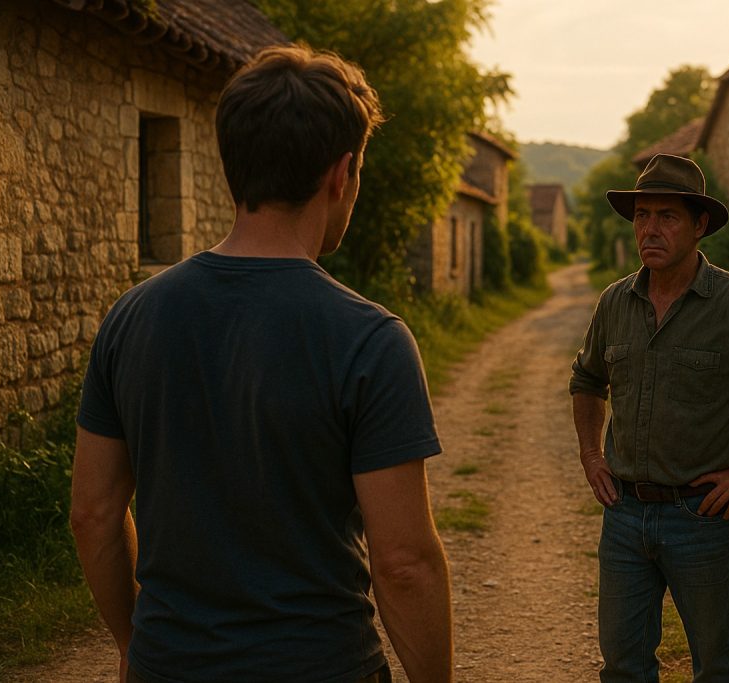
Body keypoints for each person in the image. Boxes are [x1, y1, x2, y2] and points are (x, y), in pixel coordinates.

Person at [70, 45, 453, 683]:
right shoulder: (370, 340)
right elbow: (404, 562)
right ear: (342, 174)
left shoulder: (131, 317)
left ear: (233, 168)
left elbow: (93, 515)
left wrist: (136, 645)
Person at [570, 154, 729, 682]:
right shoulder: (615, 302)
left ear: (700, 226)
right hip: (624, 515)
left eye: (667, 216)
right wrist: (592, 454)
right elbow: (586, 378)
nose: (650, 229)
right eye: (642, 215)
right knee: (622, 667)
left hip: (704, 520)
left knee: (715, 668)